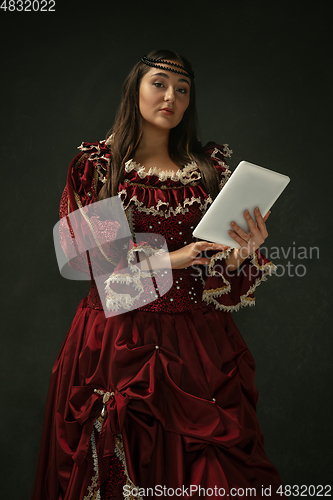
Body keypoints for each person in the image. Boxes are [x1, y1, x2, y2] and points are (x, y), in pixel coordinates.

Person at [32, 49, 285, 500]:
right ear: (136, 90)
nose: (171, 96)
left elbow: (221, 275)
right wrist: (173, 258)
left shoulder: (209, 173)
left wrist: (241, 252)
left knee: (214, 477)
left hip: (200, 349)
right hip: (118, 344)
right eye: (159, 84)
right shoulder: (99, 170)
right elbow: (100, 270)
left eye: (182, 90)